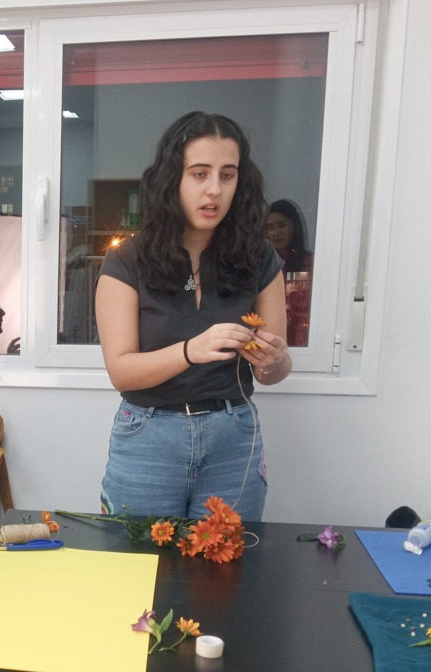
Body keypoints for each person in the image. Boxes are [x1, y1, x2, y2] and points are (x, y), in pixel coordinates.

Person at [95, 111, 292, 523]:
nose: (214, 189)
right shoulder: (127, 260)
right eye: (200, 173)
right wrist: (190, 351)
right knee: (138, 561)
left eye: (227, 175)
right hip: (149, 437)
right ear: (173, 179)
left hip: (233, 437)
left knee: (229, 562)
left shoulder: (259, 258)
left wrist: (275, 360)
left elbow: (272, 373)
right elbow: (121, 372)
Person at [265, 198, 313, 346]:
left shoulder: (309, 264)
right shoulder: (261, 265)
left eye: (281, 226)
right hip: (268, 342)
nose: (276, 233)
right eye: (270, 227)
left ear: (294, 226)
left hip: (303, 343)